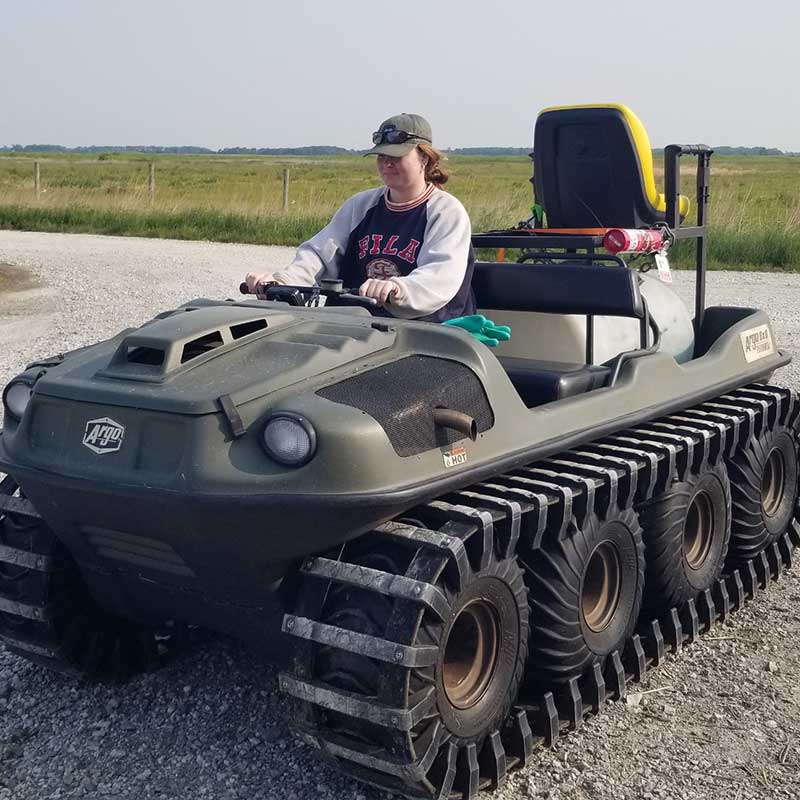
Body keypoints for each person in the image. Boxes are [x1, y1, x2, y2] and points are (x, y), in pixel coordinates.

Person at [244, 113, 476, 322]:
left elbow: (440, 275)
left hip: (425, 332)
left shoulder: (445, 212)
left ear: (424, 158)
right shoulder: (361, 205)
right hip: (357, 325)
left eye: (397, 156)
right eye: (381, 156)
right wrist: (283, 281)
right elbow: (319, 255)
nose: (387, 163)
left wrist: (397, 290)